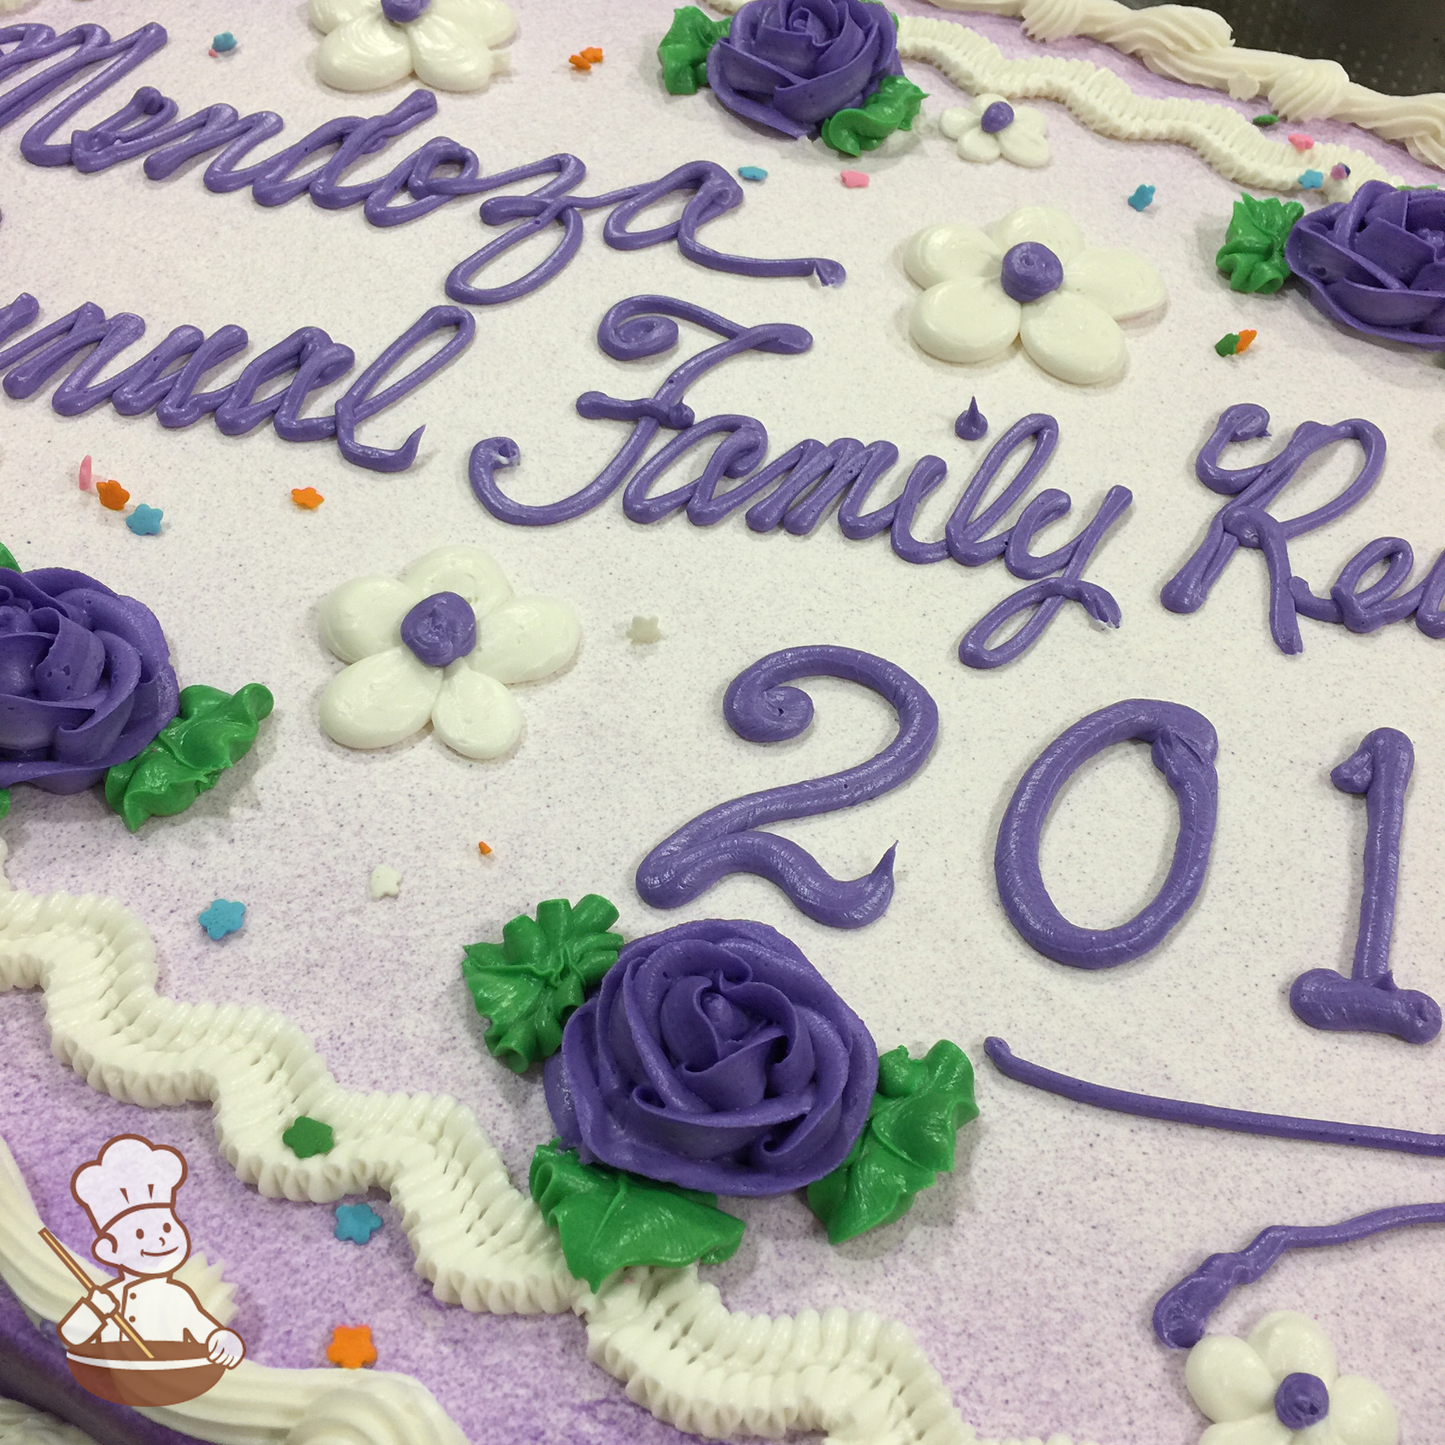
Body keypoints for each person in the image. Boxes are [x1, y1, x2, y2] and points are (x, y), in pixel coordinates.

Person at [57, 1134, 245, 1369]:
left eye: (166, 1227)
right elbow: (68, 1334)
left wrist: (224, 1344)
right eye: (138, 1234)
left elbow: (208, 1333)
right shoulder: (109, 1297)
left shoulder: (178, 1296)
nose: (159, 1239)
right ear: (108, 1250)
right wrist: (95, 1310)